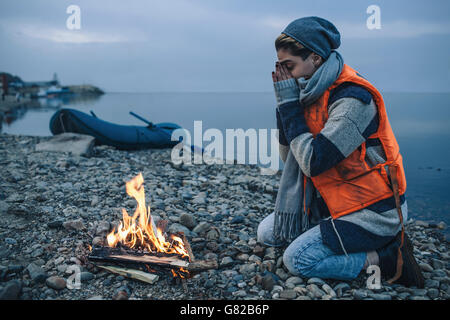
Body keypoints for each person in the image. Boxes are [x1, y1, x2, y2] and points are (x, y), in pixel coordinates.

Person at [257, 16, 424, 287]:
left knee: (297, 261)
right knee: (267, 234)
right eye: (281, 66)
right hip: (333, 202)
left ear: (316, 58)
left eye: (290, 66)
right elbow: (291, 159)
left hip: (373, 212)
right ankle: (335, 236)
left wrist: (289, 108)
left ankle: (386, 256)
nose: (286, 75)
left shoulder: (353, 99)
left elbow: (313, 162)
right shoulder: (308, 92)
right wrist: (284, 109)